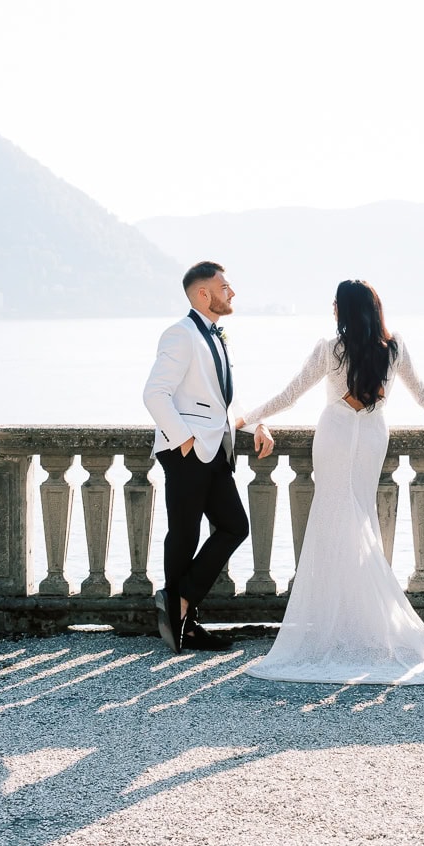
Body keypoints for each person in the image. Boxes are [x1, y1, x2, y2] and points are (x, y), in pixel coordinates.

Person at [234, 279, 424, 684]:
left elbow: (290, 395)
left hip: (336, 436)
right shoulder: (394, 349)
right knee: (360, 522)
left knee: (333, 524)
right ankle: (361, 621)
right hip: (372, 437)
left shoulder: (330, 349)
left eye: (335, 304)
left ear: (343, 310)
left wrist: (246, 419)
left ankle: (340, 623)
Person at [142, 261, 275, 653]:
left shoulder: (215, 336)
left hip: (215, 450)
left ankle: (179, 604)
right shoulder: (180, 334)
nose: (231, 292)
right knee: (184, 535)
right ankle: (184, 622)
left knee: (234, 526)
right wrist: (183, 440)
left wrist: (256, 425)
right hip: (188, 451)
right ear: (204, 293)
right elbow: (154, 394)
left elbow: (218, 405)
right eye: (225, 286)